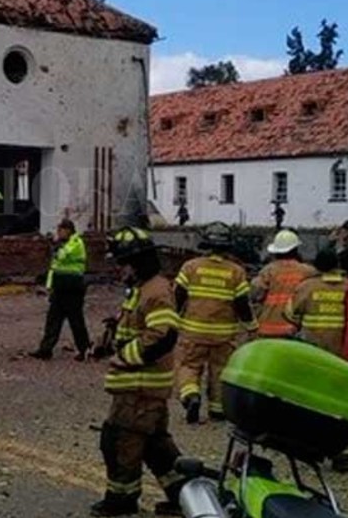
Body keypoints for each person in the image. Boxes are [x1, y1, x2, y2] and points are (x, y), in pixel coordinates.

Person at [92, 227, 186, 517]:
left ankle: (121, 501)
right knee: (155, 447)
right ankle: (186, 496)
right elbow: (138, 329)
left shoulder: (155, 291)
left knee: (119, 442)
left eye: (122, 263)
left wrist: (126, 356)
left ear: (138, 262)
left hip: (140, 389)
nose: (119, 269)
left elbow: (164, 334)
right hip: (142, 389)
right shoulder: (143, 289)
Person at [173, 223, 255, 424]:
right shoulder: (236, 272)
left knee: (188, 366)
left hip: (193, 331)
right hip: (224, 335)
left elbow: (178, 296)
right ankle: (217, 410)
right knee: (220, 371)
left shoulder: (191, 267)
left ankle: (191, 396)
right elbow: (242, 304)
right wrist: (252, 327)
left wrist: (172, 319)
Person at [291, 247, 348, 473]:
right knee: (342, 404)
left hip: (314, 355)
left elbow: (289, 315)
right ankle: (342, 452)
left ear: (317, 266)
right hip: (345, 356)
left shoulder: (307, 287)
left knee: (311, 401)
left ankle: (311, 446)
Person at [29, 219, 90, 361]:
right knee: (52, 320)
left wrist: (56, 246)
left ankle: (85, 349)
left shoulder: (76, 243)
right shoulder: (65, 244)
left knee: (76, 321)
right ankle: (45, 350)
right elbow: (54, 268)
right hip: (60, 287)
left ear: (68, 230)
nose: (59, 233)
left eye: (61, 230)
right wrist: (50, 287)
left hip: (73, 288)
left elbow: (62, 255)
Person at [250, 229, 316, 338]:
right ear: (296, 249)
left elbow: (254, 293)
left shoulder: (268, 271)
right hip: (295, 330)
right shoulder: (308, 272)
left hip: (268, 329)